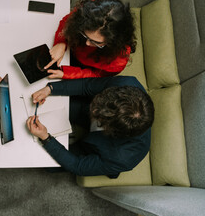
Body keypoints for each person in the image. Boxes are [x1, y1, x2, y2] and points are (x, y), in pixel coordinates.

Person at [26, 76, 154, 178]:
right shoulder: (126, 83)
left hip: (100, 150)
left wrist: (46, 138)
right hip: (85, 111)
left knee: (48, 164)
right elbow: (86, 85)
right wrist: (51, 89)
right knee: (52, 104)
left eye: (98, 117)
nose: (94, 112)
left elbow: (78, 166)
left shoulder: (122, 158)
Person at [45, 0, 136, 80]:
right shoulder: (91, 11)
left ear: (113, 42)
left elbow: (96, 75)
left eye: (96, 42)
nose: (87, 43)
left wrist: (66, 74)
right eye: (85, 35)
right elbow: (68, 21)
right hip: (70, 49)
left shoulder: (118, 61)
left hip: (82, 68)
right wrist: (61, 42)